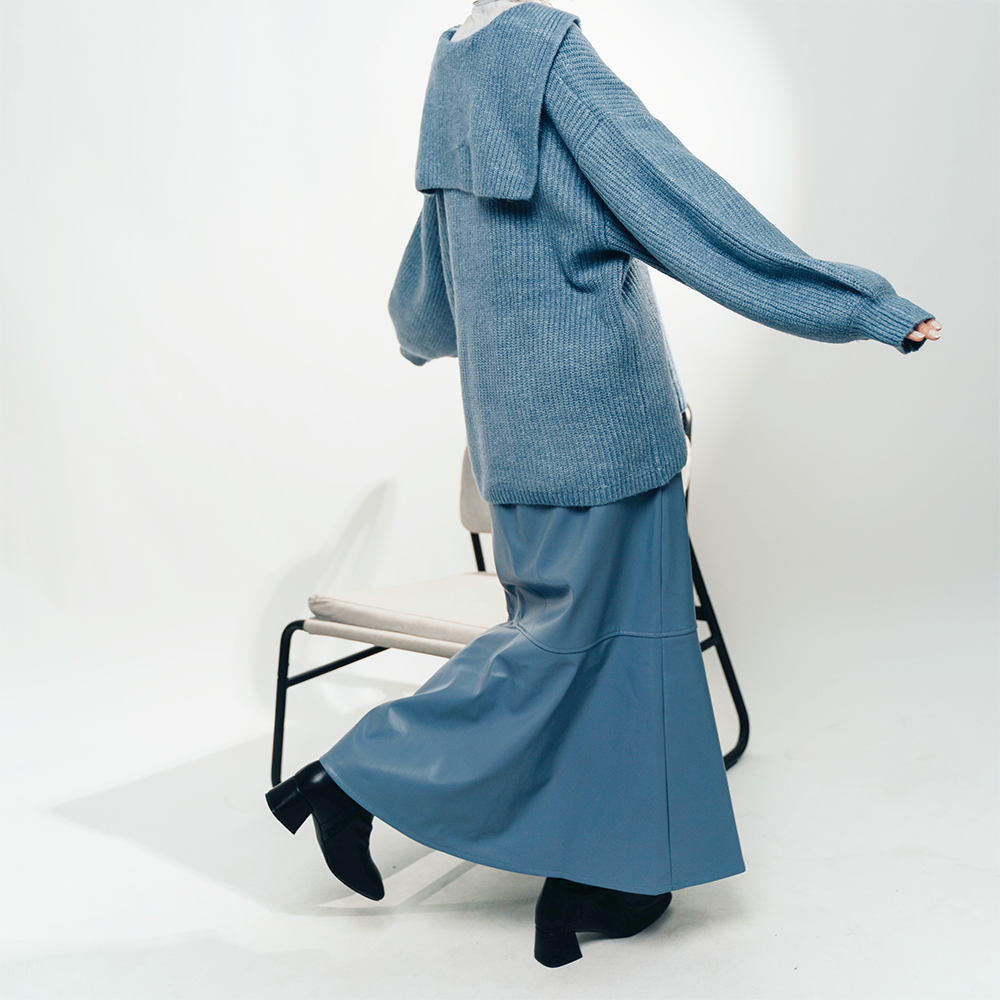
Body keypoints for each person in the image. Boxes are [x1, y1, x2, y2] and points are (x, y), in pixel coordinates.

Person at [266, 0, 942, 968]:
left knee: (584, 655)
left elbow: (432, 262)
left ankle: (599, 879)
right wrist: (861, 305)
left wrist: (427, 338)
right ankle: (356, 780)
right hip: (604, 426)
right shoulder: (553, 57)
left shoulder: (455, 65)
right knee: (592, 656)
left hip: (509, 433)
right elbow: (683, 203)